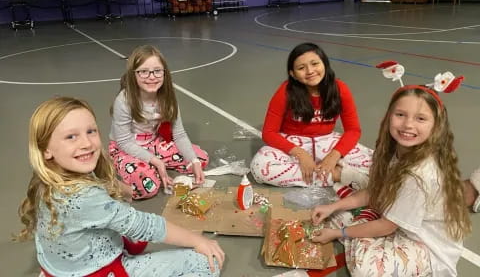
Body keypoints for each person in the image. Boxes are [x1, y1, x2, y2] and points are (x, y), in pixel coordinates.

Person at [16, 97, 224, 277]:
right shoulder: (84, 198)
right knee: (207, 261)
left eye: (91, 131)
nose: (87, 143)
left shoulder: (48, 177)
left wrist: (116, 187)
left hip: (63, 268)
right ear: (45, 149)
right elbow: (145, 226)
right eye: (71, 136)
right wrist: (198, 240)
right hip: (98, 271)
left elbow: (90, 192)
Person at [310, 85, 471, 276]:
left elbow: (387, 226)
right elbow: (376, 190)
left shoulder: (419, 175)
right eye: (400, 115)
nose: (408, 125)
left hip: (427, 248)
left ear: (436, 125)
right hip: (400, 224)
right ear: (388, 117)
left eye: (420, 118)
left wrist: (339, 233)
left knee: (364, 270)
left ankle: (358, 226)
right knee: (338, 213)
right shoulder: (399, 151)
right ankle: (360, 224)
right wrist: (332, 207)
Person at [250, 42, 372, 188]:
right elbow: (269, 133)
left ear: (325, 64)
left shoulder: (340, 89)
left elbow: (353, 130)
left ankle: (323, 173)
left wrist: (334, 156)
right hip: (293, 144)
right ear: (292, 74)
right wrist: (301, 154)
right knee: (259, 167)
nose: (310, 71)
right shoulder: (285, 92)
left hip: (328, 142)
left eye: (315, 64)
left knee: (375, 162)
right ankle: (338, 175)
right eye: (301, 68)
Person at [109, 45, 209, 199]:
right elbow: (124, 142)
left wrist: (193, 161)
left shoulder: (167, 96)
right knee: (147, 186)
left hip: (153, 143)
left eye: (157, 70)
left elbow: (179, 134)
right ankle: (118, 180)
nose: (151, 76)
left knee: (200, 159)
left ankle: (150, 166)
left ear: (164, 73)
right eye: (143, 71)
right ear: (133, 74)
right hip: (126, 148)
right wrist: (157, 162)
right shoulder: (124, 100)